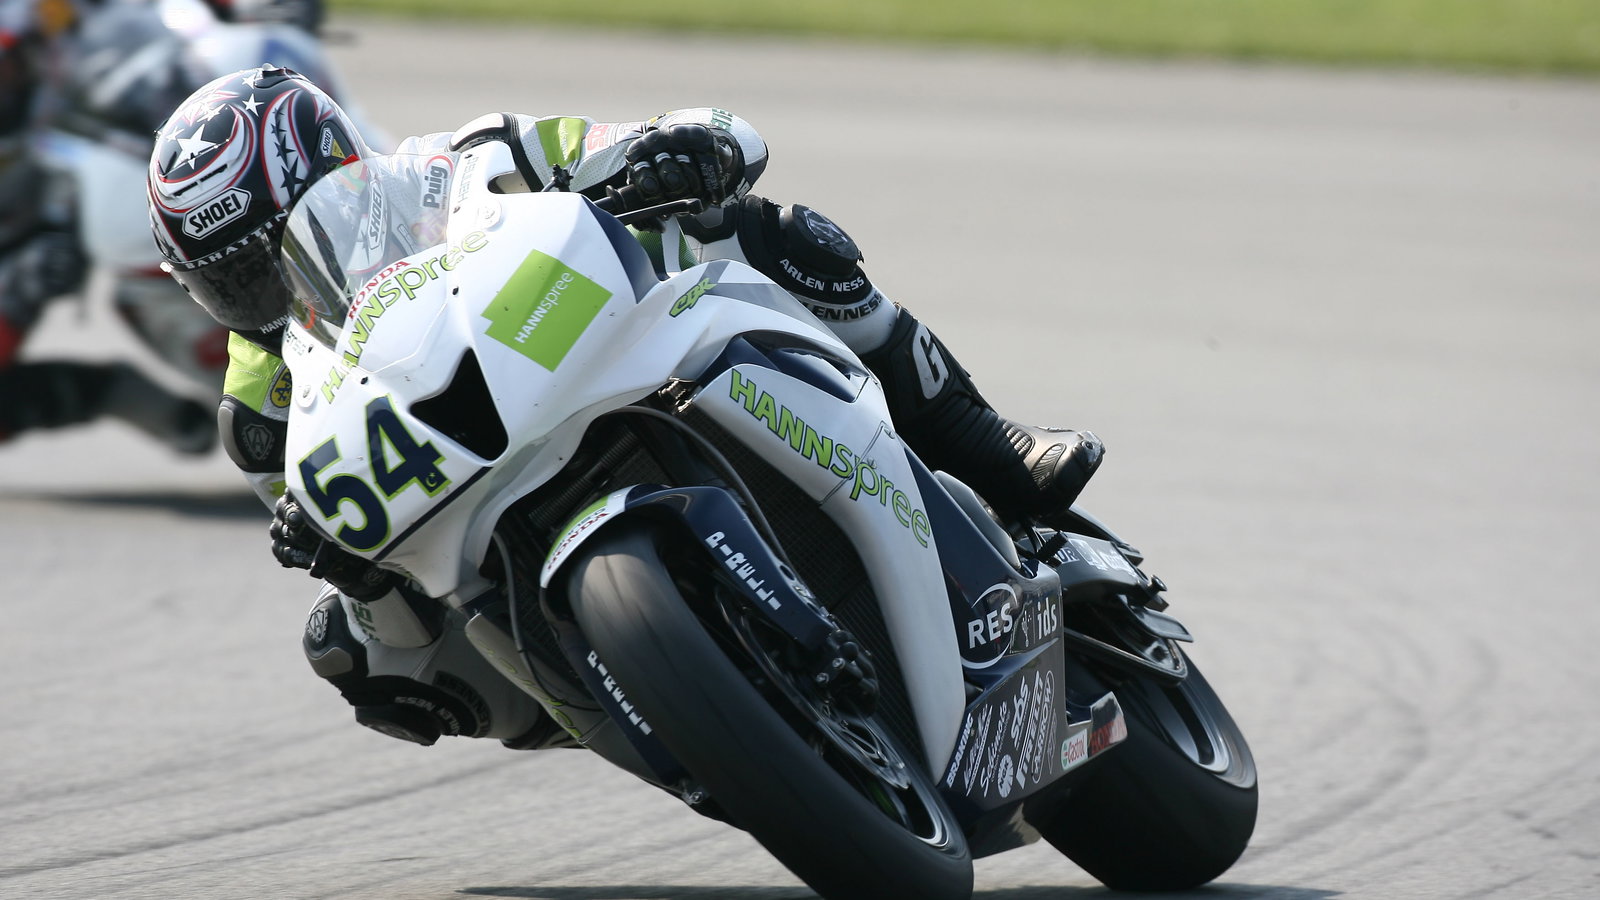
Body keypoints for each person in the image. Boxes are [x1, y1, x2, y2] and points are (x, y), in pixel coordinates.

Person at [148, 66, 1105, 748]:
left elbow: (616, 144)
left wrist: (674, 151)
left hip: (594, 351)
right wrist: (347, 573)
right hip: (475, 518)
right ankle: (642, 700)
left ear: (334, 171)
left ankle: (992, 447)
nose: (260, 292)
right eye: (227, 282)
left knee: (759, 233)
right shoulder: (260, 413)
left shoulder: (453, 163)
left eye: (265, 254)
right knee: (354, 656)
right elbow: (370, 554)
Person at [0, 0, 322, 450]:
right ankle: (118, 397)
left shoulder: (62, 37)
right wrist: (16, 287)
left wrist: (251, 14)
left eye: (8, 69)